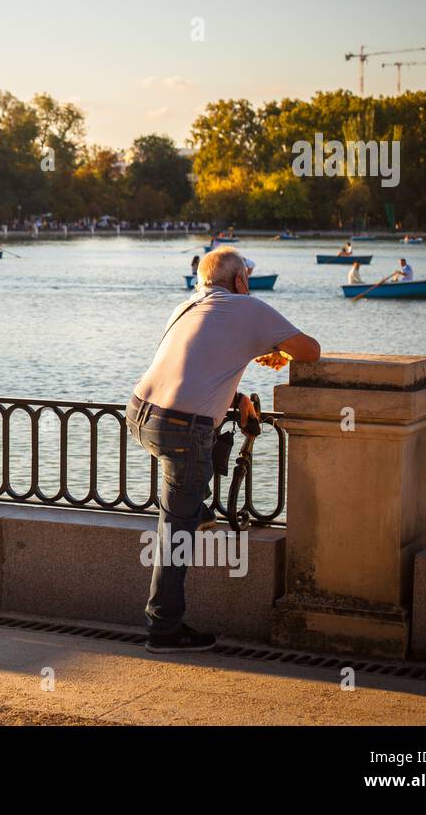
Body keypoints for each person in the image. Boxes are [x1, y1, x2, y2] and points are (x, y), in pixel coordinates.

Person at [128, 246, 320, 654]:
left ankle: (197, 508)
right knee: (175, 532)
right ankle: (164, 629)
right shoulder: (247, 307)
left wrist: (236, 402)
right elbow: (311, 351)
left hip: (141, 415)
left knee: (183, 503)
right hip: (181, 428)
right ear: (239, 281)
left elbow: (197, 365)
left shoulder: (185, 306)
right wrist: (280, 350)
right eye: (246, 278)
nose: (248, 284)